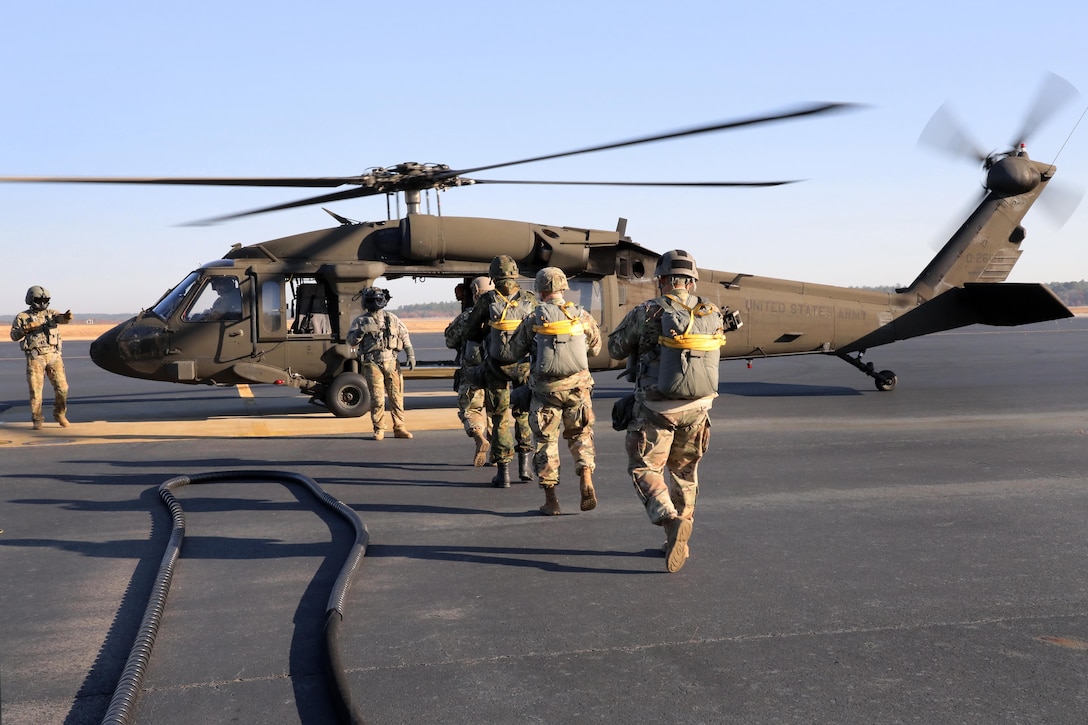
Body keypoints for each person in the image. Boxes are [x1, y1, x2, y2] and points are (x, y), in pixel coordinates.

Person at [607, 250, 727, 572]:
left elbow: (615, 348)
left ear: (661, 280)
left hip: (658, 408)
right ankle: (680, 540)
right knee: (685, 472)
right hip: (699, 407)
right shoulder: (711, 311)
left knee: (644, 468)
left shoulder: (647, 311)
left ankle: (669, 520)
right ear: (692, 281)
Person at [503, 267, 601, 515]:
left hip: (546, 391)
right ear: (562, 288)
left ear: (540, 290)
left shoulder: (535, 317)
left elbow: (513, 351)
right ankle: (586, 476)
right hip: (578, 389)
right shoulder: (580, 315)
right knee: (581, 435)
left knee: (546, 443)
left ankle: (552, 501)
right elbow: (596, 348)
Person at [463, 255, 536, 487]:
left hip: (496, 366)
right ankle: (525, 467)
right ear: (515, 273)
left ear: (493, 276)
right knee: (523, 413)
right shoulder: (530, 299)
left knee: (500, 417)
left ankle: (503, 473)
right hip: (524, 366)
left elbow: (471, 331)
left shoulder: (488, 300)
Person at [347, 286, 416, 440]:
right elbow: (351, 341)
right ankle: (379, 428)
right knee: (377, 398)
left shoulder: (392, 318)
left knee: (396, 397)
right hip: (373, 363)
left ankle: (400, 427)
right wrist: (361, 331)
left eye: (378, 300)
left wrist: (410, 354)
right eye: (372, 300)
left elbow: (404, 336)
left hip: (391, 361)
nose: (375, 303)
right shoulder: (361, 321)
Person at [444, 277, 494, 465]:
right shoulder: (503, 313)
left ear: (475, 294)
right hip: (497, 371)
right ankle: (498, 456)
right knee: (496, 412)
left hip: (472, 370)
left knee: (470, 409)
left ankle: (479, 436)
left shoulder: (467, 316)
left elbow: (450, 340)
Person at [10, 285, 73, 430]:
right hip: (35, 357)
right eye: (40, 299)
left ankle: (60, 413)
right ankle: (37, 419)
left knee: (63, 388)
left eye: (45, 300)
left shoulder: (51, 313)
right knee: (36, 391)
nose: (43, 302)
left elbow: (61, 319)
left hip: (54, 356)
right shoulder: (22, 317)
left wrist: (66, 317)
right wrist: (26, 328)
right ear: (32, 300)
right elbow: (13, 336)